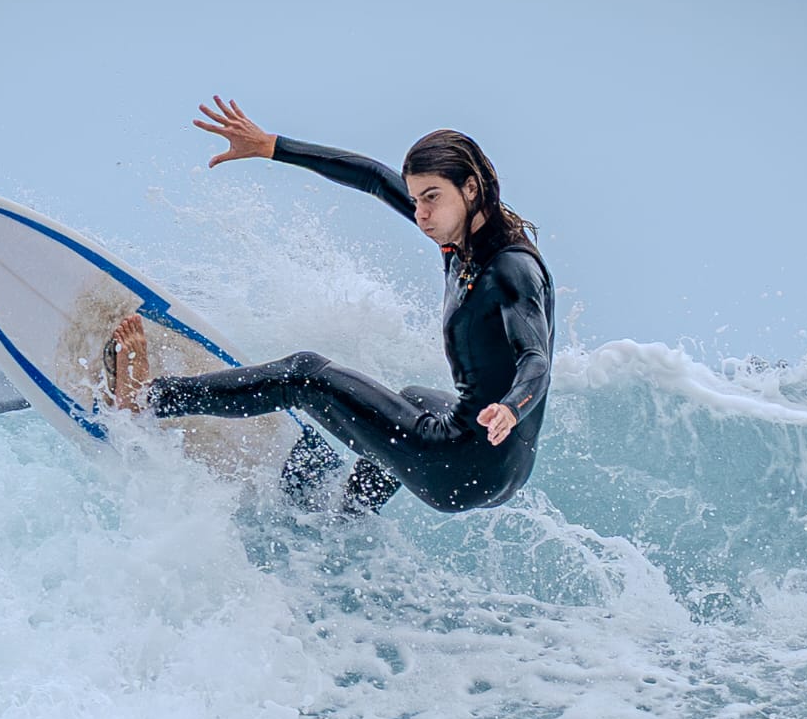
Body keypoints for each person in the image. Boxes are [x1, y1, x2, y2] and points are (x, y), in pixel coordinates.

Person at [105, 97, 555, 516]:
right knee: (412, 398)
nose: (420, 214)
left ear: (471, 188)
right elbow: (374, 178)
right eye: (416, 199)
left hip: (461, 466)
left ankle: (149, 398)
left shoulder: (509, 269)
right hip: (504, 466)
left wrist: (511, 408)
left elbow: (535, 359)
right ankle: (351, 511)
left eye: (431, 197)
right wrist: (270, 146)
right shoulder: (464, 236)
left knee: (305, 375)